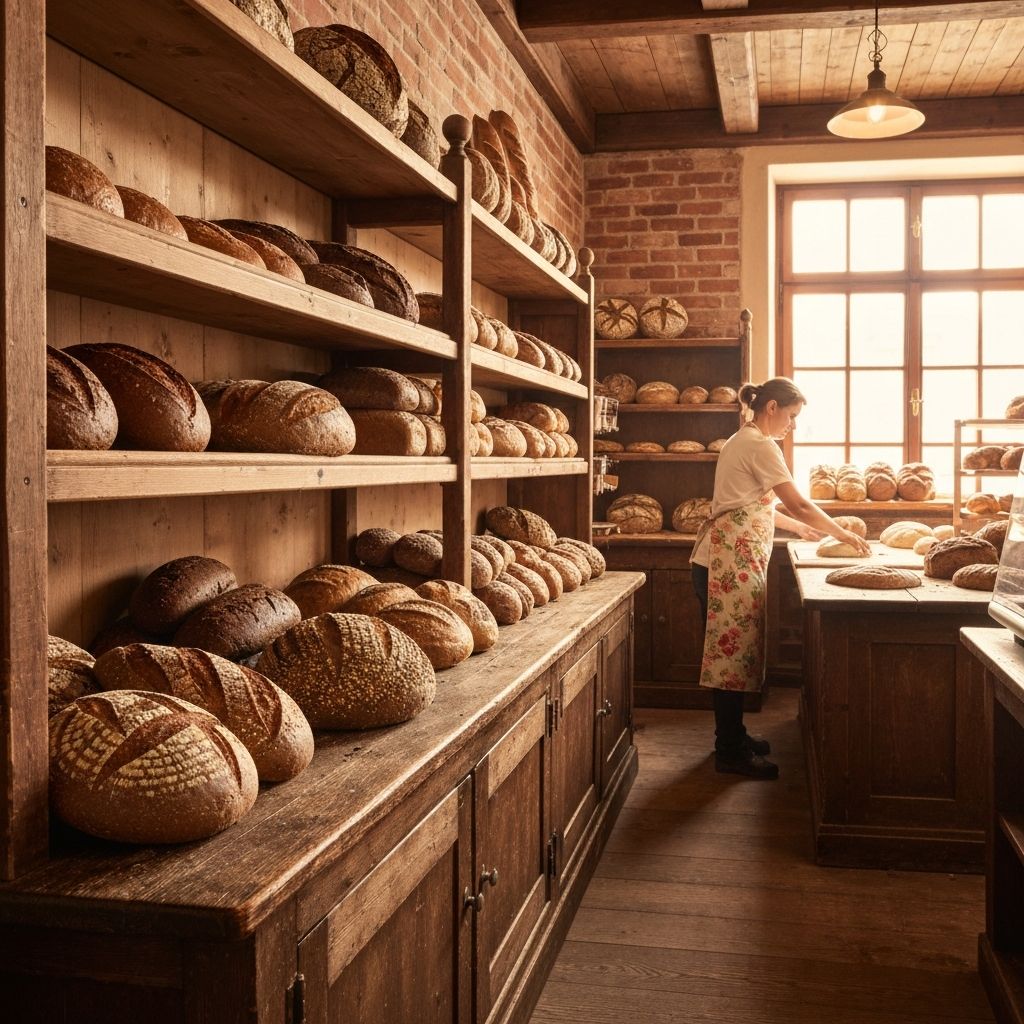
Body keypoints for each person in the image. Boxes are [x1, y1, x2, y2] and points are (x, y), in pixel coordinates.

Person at [690, 376, 870, 779]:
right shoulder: (759, 444)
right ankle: (729, 751)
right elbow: (800, 502)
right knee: (729, 659)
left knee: (732, 657)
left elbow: (755, 504)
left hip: (724, 563)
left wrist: (799, 529)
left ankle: (734, 735)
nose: (792, 425)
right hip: (724, 565)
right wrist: (839, 532)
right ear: (771, 407)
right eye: (791, 416)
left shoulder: (745, 440)